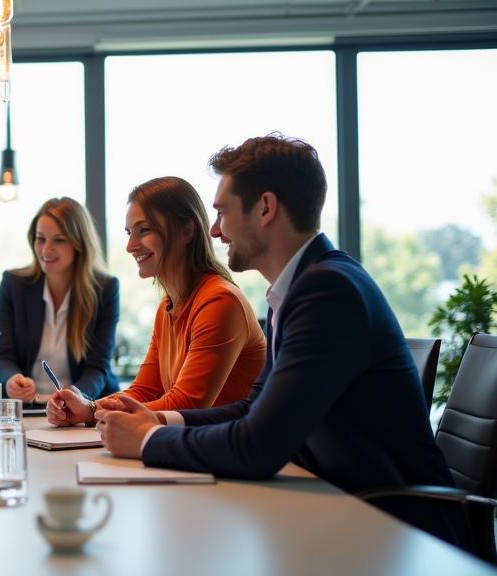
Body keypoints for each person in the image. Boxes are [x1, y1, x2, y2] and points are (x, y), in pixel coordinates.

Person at [95, 134, 467, 546]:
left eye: (222, 212)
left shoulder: (328, 291)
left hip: (398, 531)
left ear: (266, 208)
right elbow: (251, 408)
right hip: (341, 509)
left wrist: (147, 440)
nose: (214, 230)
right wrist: (158, 421)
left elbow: (258, 445)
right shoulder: (294, 290)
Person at [47, 177, 266, 426]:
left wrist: (98, 412)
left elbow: (187, 404)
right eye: (129, 233)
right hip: (197, 441)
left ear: (187, 231)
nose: (130, 246)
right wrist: (89, 409)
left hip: (227, 445)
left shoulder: (219, 301)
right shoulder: (168, 306)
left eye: (144, 230)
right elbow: (145, 390)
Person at [0, 197, 120, 405]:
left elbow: (98, 368)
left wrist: (73, 397)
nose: (46, 249)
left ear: (79, 244)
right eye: (40, 239)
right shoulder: (13, 285)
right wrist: (11, 381)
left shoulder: (105, 290)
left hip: (87, 407)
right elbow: (3, 355)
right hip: (28, 407)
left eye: (59, 240)